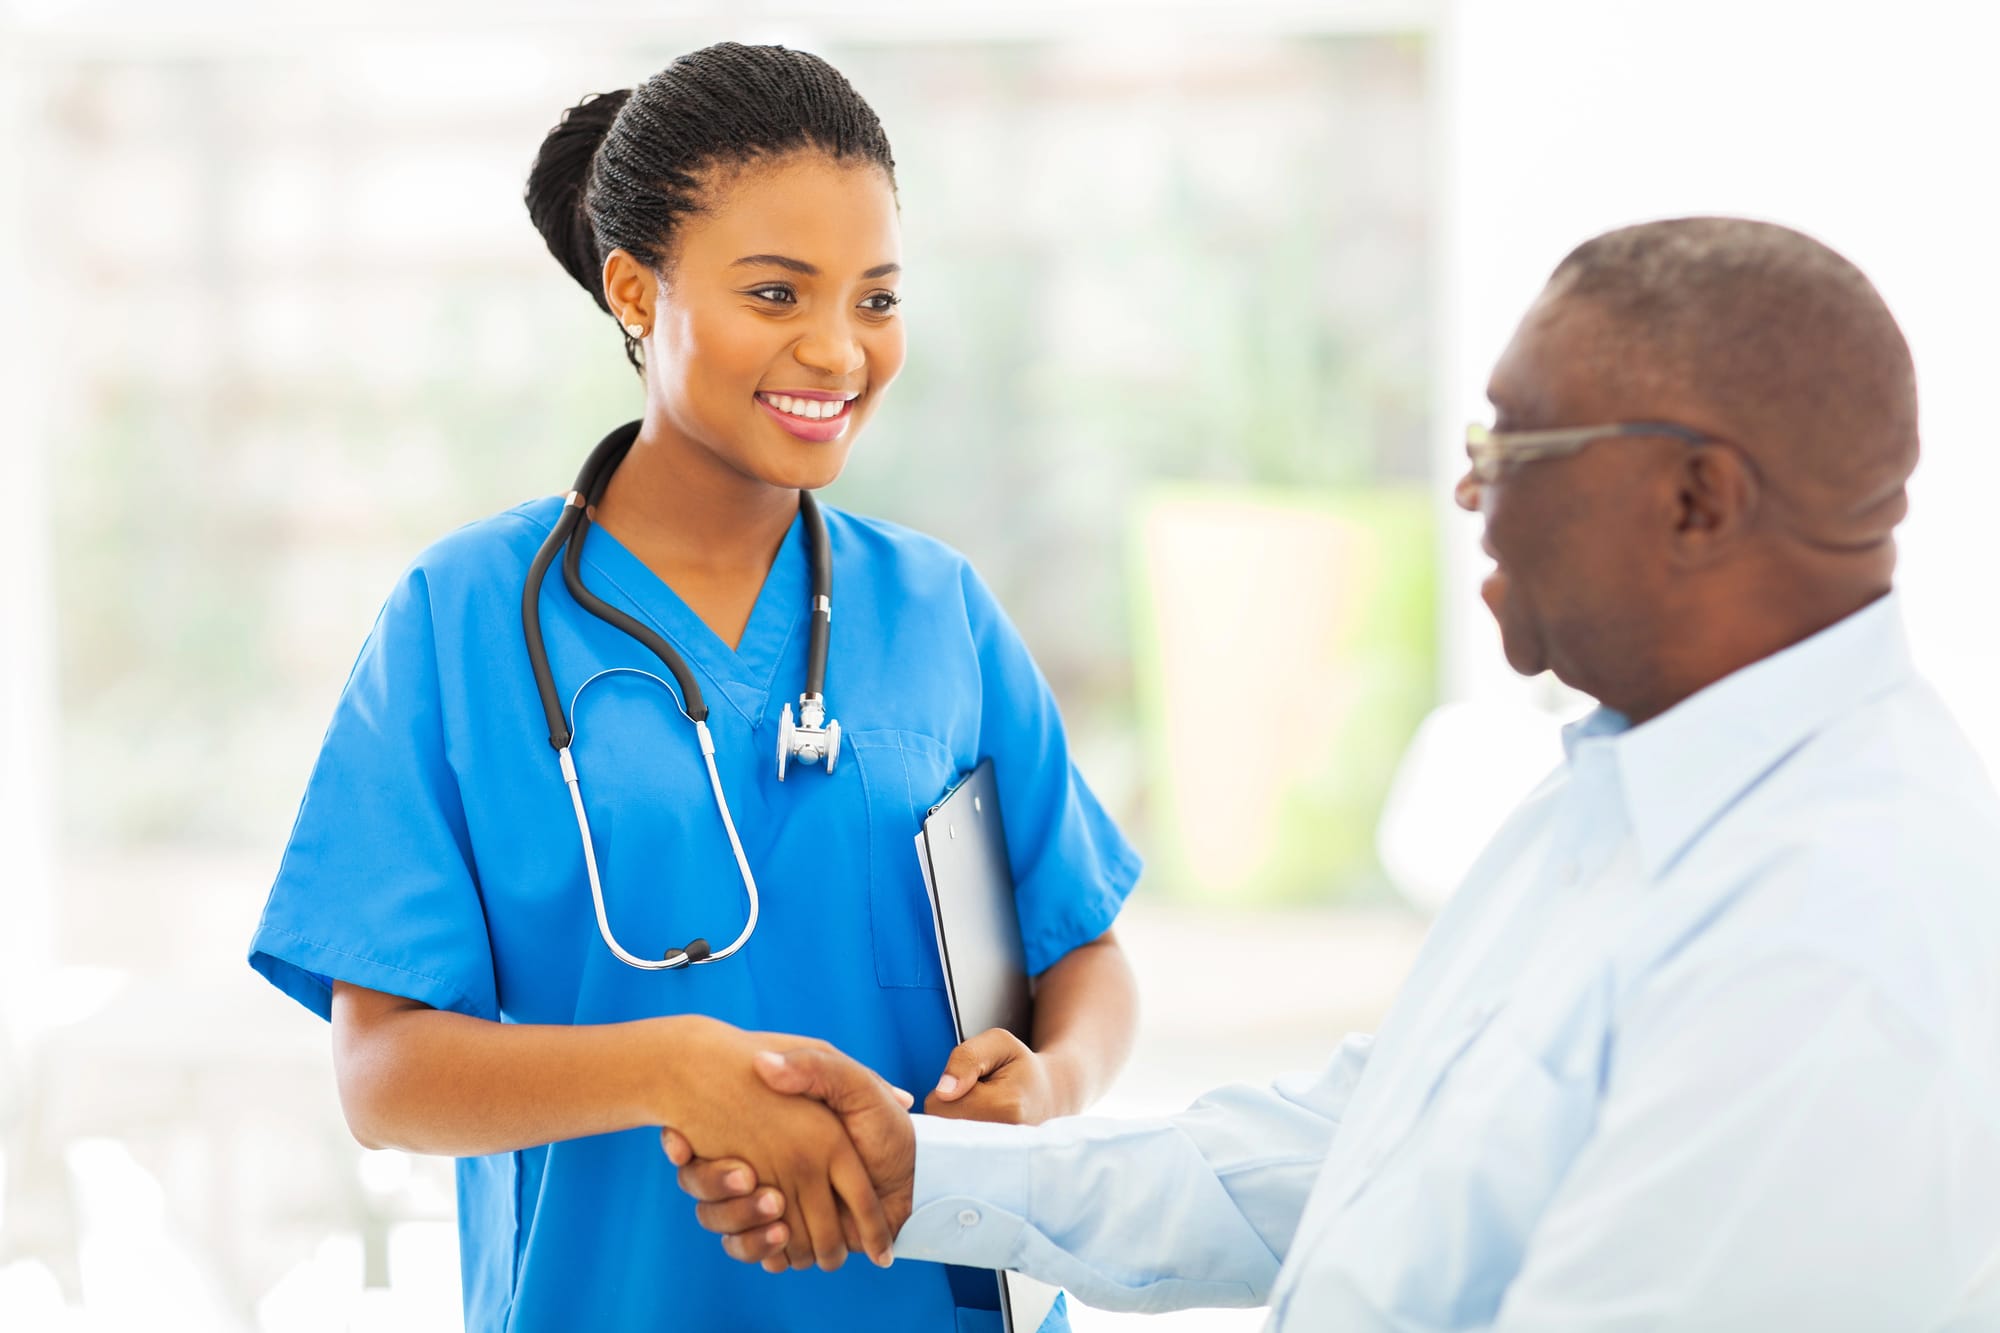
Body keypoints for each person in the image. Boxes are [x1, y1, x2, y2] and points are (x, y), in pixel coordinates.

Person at [669, 217, 2000, 1330]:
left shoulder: (1840, 935)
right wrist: (922, 1171)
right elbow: (1338, 1152)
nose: (1474, 499)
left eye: (1511, 452)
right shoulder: (1608, 799)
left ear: (1698, 500)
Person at [245, 43, 1142, 1333]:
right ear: (633, 289)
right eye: (777, 293)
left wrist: (1048, 1088)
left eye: (876, 300)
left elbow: (1088, 955)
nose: (838, 351)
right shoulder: (463, 619)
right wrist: (675, 1068)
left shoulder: (938, 608)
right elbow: (384, 1075)